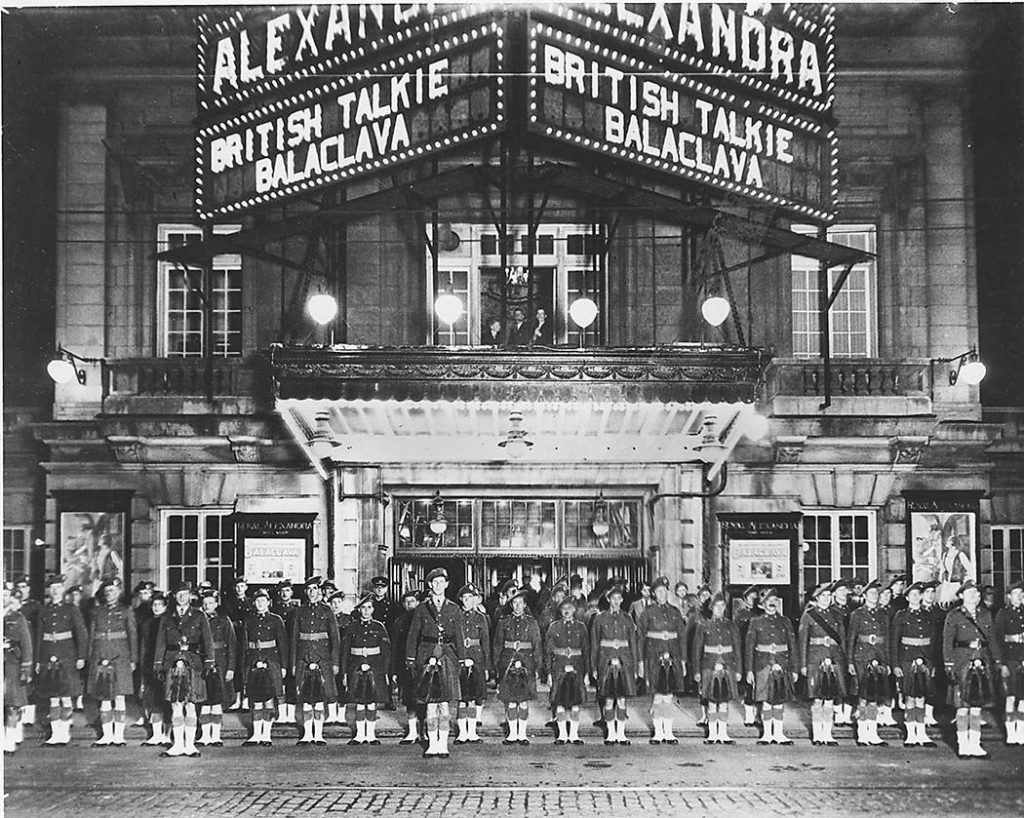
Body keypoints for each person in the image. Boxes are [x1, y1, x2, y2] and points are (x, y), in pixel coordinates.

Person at [405, 567, 465, 758]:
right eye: (435, 582)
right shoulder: (422, 609)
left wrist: (461, 660)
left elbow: (459, 636)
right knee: (430, 704)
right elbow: (413, 635)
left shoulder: (454, 609)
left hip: (447, 656)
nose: (438, 586)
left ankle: (443, 743)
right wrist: (411, 659)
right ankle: (432, 744)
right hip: (426, 655)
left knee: (445, 704)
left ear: (447, 585)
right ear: (430, 585)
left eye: (442, 582)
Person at [154, 581, 215, 758]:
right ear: (174, 596)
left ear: (190, 596)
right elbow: (160, 643)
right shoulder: (166, 617)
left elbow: (208, 641)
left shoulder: (199, 615)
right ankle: (177, 745)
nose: (182, 597)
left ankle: (190, 745)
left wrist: (209, 663)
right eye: (178, 594)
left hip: (193, 663)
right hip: (172, 663)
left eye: (185, 594)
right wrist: (158, 664)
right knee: (175, 704)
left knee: (191, 704)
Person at [943, 579, 1002, 758]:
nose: (975, 596)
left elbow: (992, 639)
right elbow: (947, 641)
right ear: (961, 596)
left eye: (977, 593)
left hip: (982, 662)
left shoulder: (985, 614)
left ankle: (975, 744)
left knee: (977, 707)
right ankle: (963, 745)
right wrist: (949, 663)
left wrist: (997, 660)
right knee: (962, 707)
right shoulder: (954, 615)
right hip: (962, 662)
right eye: (970, 593)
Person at [35, 573, 88, 746]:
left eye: (58, 588)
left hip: (67, 657)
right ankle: (54, 734)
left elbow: (82, 634)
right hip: (48, 656)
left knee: (66, 697)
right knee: (52, 697)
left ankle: (64, 733)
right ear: (49, 591)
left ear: (63, 589)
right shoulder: (43, 610)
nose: (55, 591)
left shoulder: (71, 609)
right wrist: (37, 660)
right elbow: (38, 637)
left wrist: (81, 656)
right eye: (52, 588)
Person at [87, 578, 138, 747]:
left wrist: (133, 659)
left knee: (120, 695)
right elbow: (91, 636)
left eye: (113, 591)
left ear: (119, 593)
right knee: (103, 695)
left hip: (120, 656)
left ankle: (119, 735)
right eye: (107, 591)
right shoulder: (96, 611)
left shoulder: (126, 610)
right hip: (100, 655)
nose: (110, 594)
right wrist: (89, 657)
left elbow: (133, 635)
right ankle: (106, 735)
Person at [636, 576, 687, 744]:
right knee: (658, 696)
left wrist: (683, 662)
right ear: (653, 594)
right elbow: (640, 639)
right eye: (658, 591)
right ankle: (658, 732)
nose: (662, 594)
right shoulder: (647, 612)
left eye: (664, 591)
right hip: (653, 657)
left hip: (673, 656)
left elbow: (682, 638)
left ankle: (669, 731)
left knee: (669, 695)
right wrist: (641, 663)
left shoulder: (675, 612)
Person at [744, 587, 797, 745]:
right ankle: (767, 734)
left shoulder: (785, 621)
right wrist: (749, 671)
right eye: (768, 601)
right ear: (762, 604)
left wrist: (794, 668)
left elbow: (793, 645)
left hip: (782, 664)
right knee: (766, 701)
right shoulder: (755, 622)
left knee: (779, 700)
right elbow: (749, 648)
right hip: (762, 664)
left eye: (774, 600)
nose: (772, 603)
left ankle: (779, 733)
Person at [291, 577, 340, 746]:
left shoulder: (327, 611)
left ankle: (318, 734)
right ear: (305, 592)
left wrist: (334, 662)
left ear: (319, 591)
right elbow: (293, 640)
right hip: (303, 659)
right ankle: (306, 734)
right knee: (305, 698)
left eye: (314, 589)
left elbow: (335, 638)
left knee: (320, 698)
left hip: (323, 659)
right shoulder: (299, 612)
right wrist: (293, 663)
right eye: (309, 589)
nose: (312, 592)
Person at [798, 583, 847, 746]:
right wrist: (803, 665)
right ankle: (818, 734)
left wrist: (843, 662)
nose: (826, 599)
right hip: (815, 660)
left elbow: (842, 641)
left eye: (828, 596)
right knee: (818, 699)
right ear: (816, 598)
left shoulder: (837, 614)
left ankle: (828, 733)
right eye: (822, 596)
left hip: (834, 659)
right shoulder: (809, 615)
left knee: (830, 699)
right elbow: (802, 641)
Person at [493, 587, 543, 746]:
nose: (517, 606)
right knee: (510, 701)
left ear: (525, 604)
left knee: (523, 701)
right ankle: (512, 733)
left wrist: (537, 667)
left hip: (526, 664)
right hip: (507, 663)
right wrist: (497, 667)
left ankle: (522, 733)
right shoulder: (503, 622)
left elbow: (537, 646)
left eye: (520, 603)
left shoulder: (532, 622)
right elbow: (497, 646)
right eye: (514, 603)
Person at [590, 585, 639, 745]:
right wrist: (594, 667)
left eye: (619, 598)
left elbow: (633, 644)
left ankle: (621, 733)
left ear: (622, 600)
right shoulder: (599, 619)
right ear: (608, 600)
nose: (616, 601)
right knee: (609, 699)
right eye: (613, 598)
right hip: (606, 661)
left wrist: (636, 666)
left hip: (625, 662)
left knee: (622, 699)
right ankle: (611, 733)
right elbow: (595, 645)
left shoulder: (627, 618)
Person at [891, 581, 938, 747]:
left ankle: (922, 733)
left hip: (925, 660)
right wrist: (895, 664)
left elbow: (933, 642)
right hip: (906, 660)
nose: (916, 597)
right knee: (910, 697)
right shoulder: (901, 616)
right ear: (906, 597)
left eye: (919, 594)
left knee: (922, 698)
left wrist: (932, 664)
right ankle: (911, 734)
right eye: (913, 594)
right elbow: (894, 641)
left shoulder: (929, 615)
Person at [846, 579, 892, 746]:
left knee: (874, 696)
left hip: (878, 657)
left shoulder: (883, 614)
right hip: (861, 657)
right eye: (871, 593)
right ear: (864, 596)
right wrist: (850, 661)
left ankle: (873, 733)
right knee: (863, 697)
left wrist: (887, 662)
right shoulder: (856, 614)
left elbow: (886, 640)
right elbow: (851, 639)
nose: (875, 596)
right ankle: (862, 732)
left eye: (877, 593)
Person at [341, 591, 390, 746]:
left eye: (369, 607)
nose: (366, 611)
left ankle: (370, 734)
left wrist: (387, 672)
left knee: (372, 702)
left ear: (373, 610)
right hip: (355, 667)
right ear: (359, 610)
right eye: (363, 608)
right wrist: (344, 672)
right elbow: (345, 652)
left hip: (375, 668)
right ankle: (359, 735)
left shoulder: (379, 627)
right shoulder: (351, 627)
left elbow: (386, 652)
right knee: (359, 702)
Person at [241, 587, 288, 747]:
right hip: (253, 661)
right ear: (253, 603)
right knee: (255, 700)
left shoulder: (276, 620)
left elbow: (282, 644)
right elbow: (244, 646)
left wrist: (283, 666)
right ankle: (255, 734)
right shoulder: (248, 620)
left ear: (269, 602)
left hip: (271, 661)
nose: (260, 603)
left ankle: (266, 734)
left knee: (268, 699)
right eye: (257, 601)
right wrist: (244, 666)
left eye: (263, 600)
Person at [693, 592, 742, 744]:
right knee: (712, 701)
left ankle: (723, 733)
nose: (719, 609)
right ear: (711, 607)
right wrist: (696, 671)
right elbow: (696, 650)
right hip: (708, 665)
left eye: (722, 606)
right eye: (716, 606)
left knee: (725, 701)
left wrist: (739, 670)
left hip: (728, 666)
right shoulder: (703, 625)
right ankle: (713, 734)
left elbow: (737, 648)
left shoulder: (731, 625)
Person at [545, 596, 589, 745]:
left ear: (574, 610)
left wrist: (587, 672)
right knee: (560, 702)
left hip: (577, 667)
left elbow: (586, 650)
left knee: (576, 702)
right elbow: (548, 652)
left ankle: (574, 734)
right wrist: (548, 672)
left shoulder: (581, 627)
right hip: (559, 667)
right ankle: (562, 735)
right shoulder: (554, 627)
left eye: (569, 608)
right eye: (564, 609)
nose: (566, 611)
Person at [197, 588, 235, 747]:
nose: (207, 606)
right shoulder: (198, 620)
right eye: (205, 603)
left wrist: (231, 668)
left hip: (221, 662)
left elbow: (232, 645)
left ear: (216, 603)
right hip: (202, 662)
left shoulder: (224, 620)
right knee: (205, 700)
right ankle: (205, 735)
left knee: (217, 700)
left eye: (211, 603)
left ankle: (216, 735)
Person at [455, 583, 490, 744]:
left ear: (475, 599)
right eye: (465, 597)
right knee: (462, 697)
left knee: (475, 696)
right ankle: (462, 733)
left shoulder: (481, 618)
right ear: (461, 599)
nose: (468, 601)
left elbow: (485, 643)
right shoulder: (455, 616)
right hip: (460, 659)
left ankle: (472, 732)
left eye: (471, 597)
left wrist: (486, 666)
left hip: (477, 660)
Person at [4, 584, 33, 754]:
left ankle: (9, 742)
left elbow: (27, 646)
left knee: (12, 704)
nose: (2, 599)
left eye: (6, 595)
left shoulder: (18, 619)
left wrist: (26, 669)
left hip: (12, 665)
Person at [389, 590, 422, 743]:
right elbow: (395, 647)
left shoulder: (424, 619)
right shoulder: (399, 622)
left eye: (413, 601)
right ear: (403, 604)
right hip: (405, 665)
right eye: (407, 602)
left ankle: (424, 731)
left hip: (422, 664)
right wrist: (394, 670)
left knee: (423, 698)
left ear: (418, 603)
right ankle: (412, 732)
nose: (410, 604)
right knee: (409, 699)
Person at [995, 579, 1024, 745]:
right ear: (1008, 596)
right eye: (1015, 594)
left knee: (1023, 698)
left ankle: (1021, 731)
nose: (1019, 596)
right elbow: (998, 640)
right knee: (1010, 697)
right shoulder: (1003, 614)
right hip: (1010, 658)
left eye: (1021, 593)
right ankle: (1011, 733)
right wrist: (1002, 664)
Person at [140, 591, 169, 746]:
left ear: (165, 606)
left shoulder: (170, 621)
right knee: (153, 700)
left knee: (168, 699)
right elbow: (143, 645)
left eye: (160, 605)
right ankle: (156, 734)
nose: (156, 607)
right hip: (150, 665)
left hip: (166, 664)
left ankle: (167, 734)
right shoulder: (147, 623)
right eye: (154, 605)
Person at [829, 579, 858, 726]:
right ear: (833, 594)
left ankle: (847, 714)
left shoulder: (853, 609)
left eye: (845, 591)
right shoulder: (831, 611)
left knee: (850, 681)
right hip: (837, 649)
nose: (843, 594)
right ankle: (838, 714)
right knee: (837, 681)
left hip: (852, 648)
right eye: (839, 591)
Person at [271, 580, 299, 726]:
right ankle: (281, 714)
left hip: (293, 648)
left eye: (287, 591)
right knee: (279, 681)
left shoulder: (296, 610)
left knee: (292, 681)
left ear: (292, 593)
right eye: (282, 591)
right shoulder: (274, 610)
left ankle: (291, 715)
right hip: (277, 649)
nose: (284, 594)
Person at [733, 585, 762, 726]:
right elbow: (736, 636)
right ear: (745, 599)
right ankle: (749, 715)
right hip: (746, 652)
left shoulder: (762, 613)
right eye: (751, 597)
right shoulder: (740, 615)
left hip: (761, 653)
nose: (754, 599)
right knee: (749, 685)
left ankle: (759, 715)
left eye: (756, 597)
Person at [326, 589, 352, 726]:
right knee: (330, 683)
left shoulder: (348, 619)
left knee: (342, 684)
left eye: (338, 602)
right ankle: (331, 714)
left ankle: (341, 715)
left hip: (345, 655)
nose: (336, 605)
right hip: (329, 655)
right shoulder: (326, 618)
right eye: (333, 602)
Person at [921, 580, 945, 726]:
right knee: (919, 683)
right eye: (927, 592)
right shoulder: (917, 611)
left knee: (934, 683)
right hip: (920, 651)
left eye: (932, 592)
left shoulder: (940, 613)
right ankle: (919, 713)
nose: (930, 595)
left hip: (936, 651)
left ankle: (929, 714)